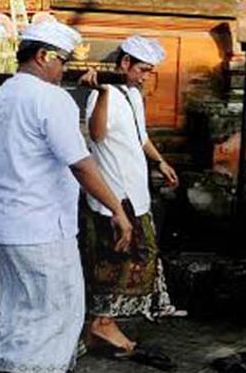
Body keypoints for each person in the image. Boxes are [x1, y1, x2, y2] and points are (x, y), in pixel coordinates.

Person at [0, 21, 133, 373]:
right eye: (62, 61)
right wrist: (116, 209)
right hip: (42, 228)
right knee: (55, 316)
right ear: (42, 56)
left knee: (15, 312)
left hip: (5, 226)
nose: (63, 69)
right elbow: (80, 164)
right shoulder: (50, 98)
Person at [81, 36, 185, 360]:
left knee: (142, 253)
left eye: (148, 71)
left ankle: (102, 322)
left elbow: (141, 138)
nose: (144, 76)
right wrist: (98, 94)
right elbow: (96, 135)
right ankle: (101, 321)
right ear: (124, 63)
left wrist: (160, 160)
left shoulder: (133, 95)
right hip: (113, 193)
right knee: (115, 259)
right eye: (141, 69)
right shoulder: (105, 93)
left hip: (136, 191)